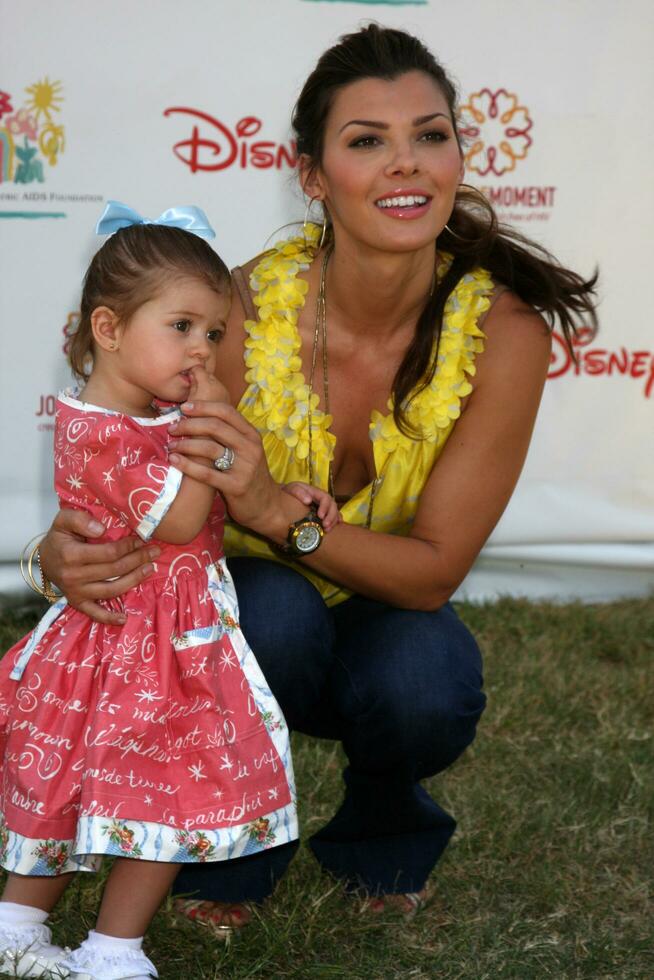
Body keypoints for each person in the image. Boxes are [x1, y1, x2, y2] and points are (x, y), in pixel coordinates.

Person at [32, 25, 597, 939]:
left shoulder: (507, 329)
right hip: (244, 601)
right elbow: (118, 460)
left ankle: (383, 825)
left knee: (430, 676)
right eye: (366, 140)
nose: (404, 165)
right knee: (276, 615)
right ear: (311, 174)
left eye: (431, 134)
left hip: (390, 605)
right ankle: (237, 845)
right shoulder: (234, 311)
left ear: (460, 152)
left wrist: (267, 509)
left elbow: (435, 571)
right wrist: (56, 550)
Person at [0, 203, 338, 979]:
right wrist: (213, 422)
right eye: (182, 327)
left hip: (148, 639)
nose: (204, 352)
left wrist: (277, 491)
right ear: (110, 330)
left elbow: (212, 503)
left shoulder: (146, 421)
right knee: (161, 788)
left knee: (112, 788)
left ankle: (51, 934)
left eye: (214, 334)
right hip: (140, 650)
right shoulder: (109, 430)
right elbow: (185, 519)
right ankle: (83, 944)